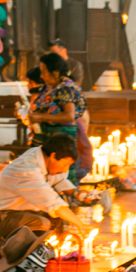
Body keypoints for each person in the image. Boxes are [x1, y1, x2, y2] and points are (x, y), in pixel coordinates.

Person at [0, 133, 98, 260]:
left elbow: (60, 181)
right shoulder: (27, 169)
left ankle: (34, 252)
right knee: (42, 223)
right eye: (65, 164)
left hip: (23, 211)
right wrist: (81, 225)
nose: (66, 170)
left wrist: (78, 194)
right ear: (53, 156)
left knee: (56, 221)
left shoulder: (44, 157)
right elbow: (53, 204)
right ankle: (11, 250)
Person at [27, 53, 88, 184]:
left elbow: (69, 115)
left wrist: (40, 117)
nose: (41, 76)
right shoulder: (50, 87)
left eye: (44, 72)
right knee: (44, 172)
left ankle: (61, 200)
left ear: (55, 72)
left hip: (61, 138)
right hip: (48, 135)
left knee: (59, 175)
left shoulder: (65, 89)